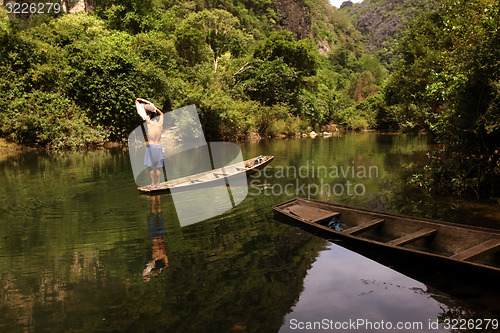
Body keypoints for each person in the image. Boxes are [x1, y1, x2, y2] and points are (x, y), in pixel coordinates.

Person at [136, 98, 164, 188]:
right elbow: (162, 113)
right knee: (158, 167)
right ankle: (158, 184)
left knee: (150, 166)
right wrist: (155, 109)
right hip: (158, 146)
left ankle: (152, 184)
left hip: (151, 146)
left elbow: (137, 101)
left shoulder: (149, 123)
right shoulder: (160, 123)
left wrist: (141, 100)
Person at [143, 195, 169, 282]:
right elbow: (166, 263)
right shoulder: (158, 256)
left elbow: (166, 263)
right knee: (156, 214)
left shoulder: (158, 257)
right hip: (157, 235)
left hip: (157, 235)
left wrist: (161, 269)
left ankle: (155, 199)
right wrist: (160, 269)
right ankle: (155, 199)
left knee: (155, 213)